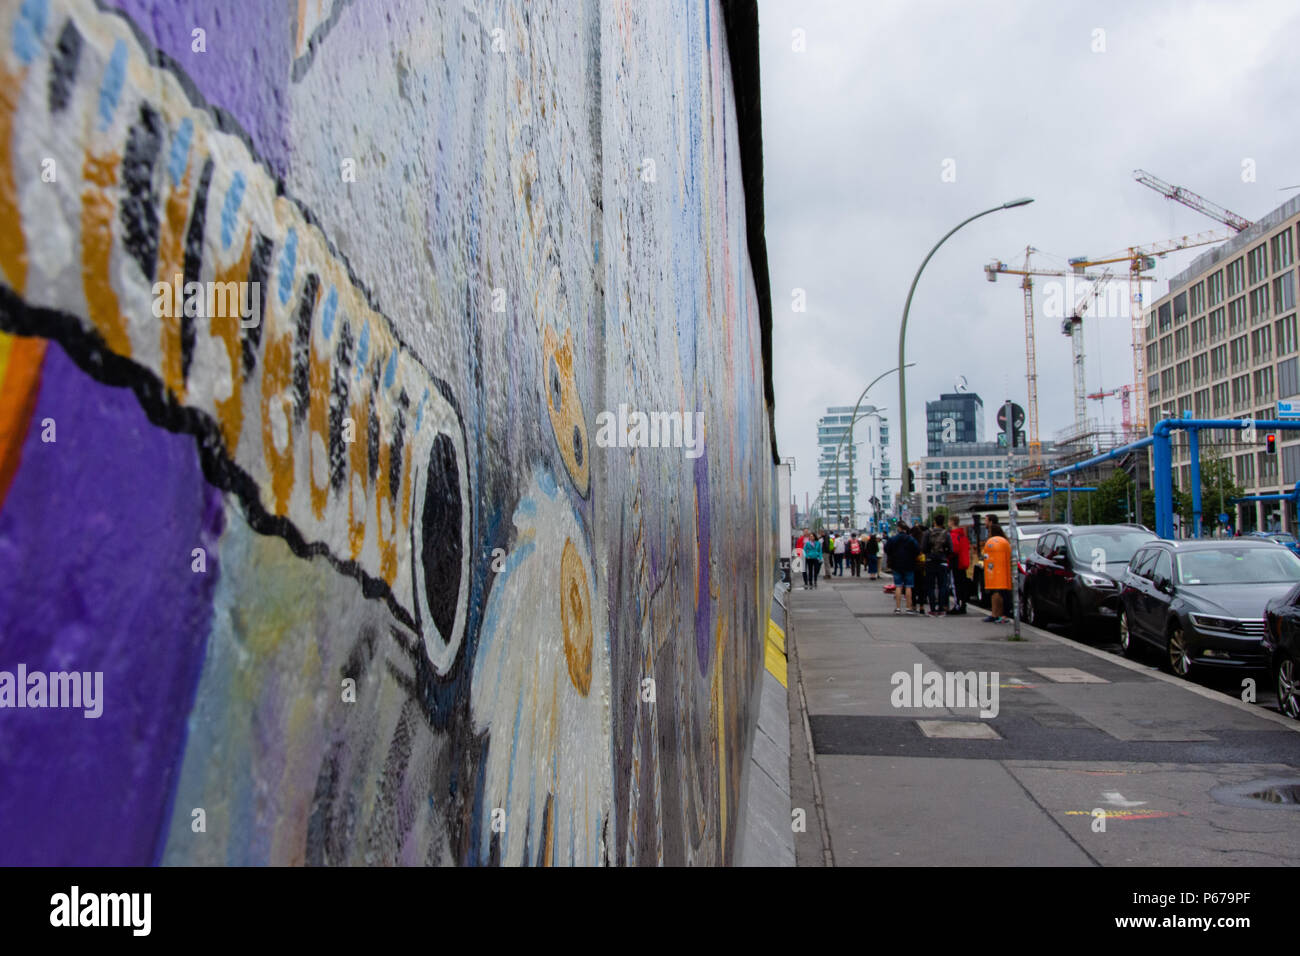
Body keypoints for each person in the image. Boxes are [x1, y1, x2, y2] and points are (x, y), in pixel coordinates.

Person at [884, 523, 920, 614]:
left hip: (896, 565)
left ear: (899, 529)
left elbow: (886, 549)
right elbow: (917, 550)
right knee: (909, 586)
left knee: (898, 586)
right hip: (909, 564)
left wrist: (892, 556)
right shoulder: (911, 539)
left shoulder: (893, 539)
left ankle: (898, 608)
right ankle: (908, 608)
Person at [982, 516, 1012, 623]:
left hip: (998, 574)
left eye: (990, 531)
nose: (988, 533)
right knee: (998, 593)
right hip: (999, 573)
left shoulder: (996, 543)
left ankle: (997, 614)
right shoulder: (1004, 542)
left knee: (997, 594)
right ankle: (998, 614)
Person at [923, 515, 953, 616]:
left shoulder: (928, 533)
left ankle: (932, 609)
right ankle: (941, 608)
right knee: (942, 586)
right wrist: (944, 555)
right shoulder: (946, 534)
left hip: (930, 561)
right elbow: (951, 549)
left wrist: (929, 554)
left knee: (930, 586)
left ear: (934, 521)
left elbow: (923, 548)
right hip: (942, 562)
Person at [948, 515, 971, 614]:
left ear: (952, 522)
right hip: (962, 562)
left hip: (955, 562)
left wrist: (947, 553)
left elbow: (953, 549)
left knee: (955, 584)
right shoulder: (962, 535)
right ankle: (963, 604)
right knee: (962, 584)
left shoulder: (953, 534)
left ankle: (957, 605)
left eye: (949, 521)